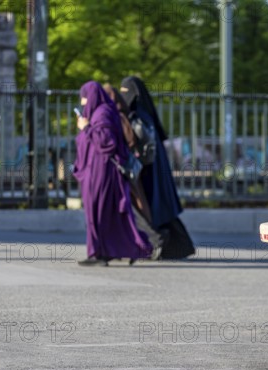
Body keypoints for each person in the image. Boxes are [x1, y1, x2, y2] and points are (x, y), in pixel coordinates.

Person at [73, 81, 152, 266]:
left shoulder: (102, 114)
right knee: (104, 212)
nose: (83, 101)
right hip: (98, 170)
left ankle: (100, 253)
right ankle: (103, 251)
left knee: (97, 211)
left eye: (84, 96)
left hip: (101, 171)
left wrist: (86, 127)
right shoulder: (102, 112)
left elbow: (107, 142)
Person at [119, 76, 195, 260]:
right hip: (153, 171)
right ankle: (179, 246)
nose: (124, 96)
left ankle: (157, 242)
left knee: (148, 207)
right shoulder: (146, 115)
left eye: (126, 92)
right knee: (161, 209)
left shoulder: (138, 117)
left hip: (146, 171)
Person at [103, 83, 165, 260]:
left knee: (130, 208)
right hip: (128, 169)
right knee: (131, 206)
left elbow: (128, 139)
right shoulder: (123, 113)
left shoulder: (120, 115)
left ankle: (154, 239)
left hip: (123, 169)